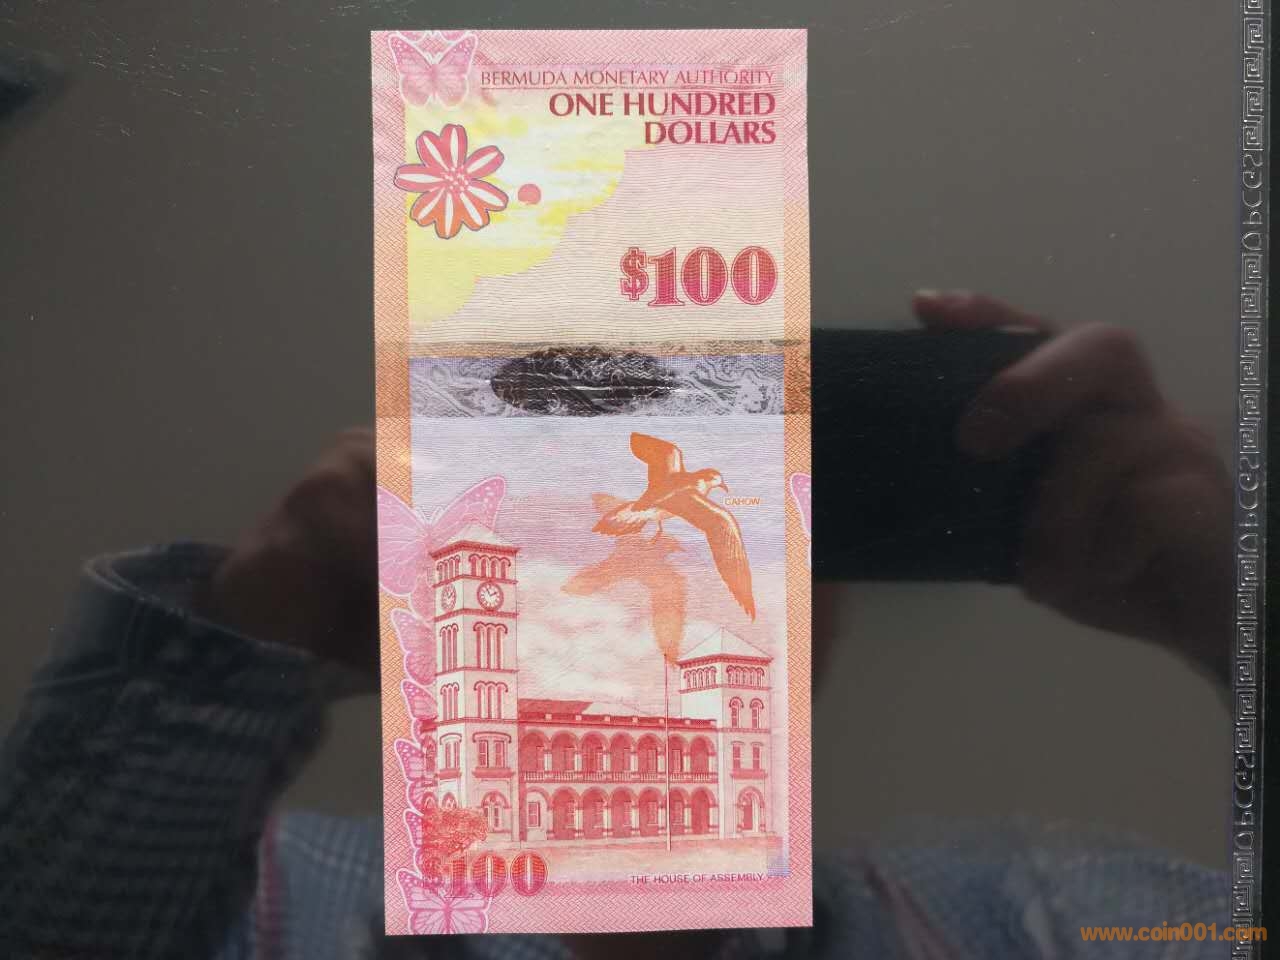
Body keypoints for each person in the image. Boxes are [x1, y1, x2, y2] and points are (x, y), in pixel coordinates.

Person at [0, 294, 1234, 958]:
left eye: (721, 513)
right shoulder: (248, 901)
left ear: (831, 590)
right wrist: (246, 626)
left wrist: (1232, 607)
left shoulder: (1055, 920)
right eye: (564, 495)